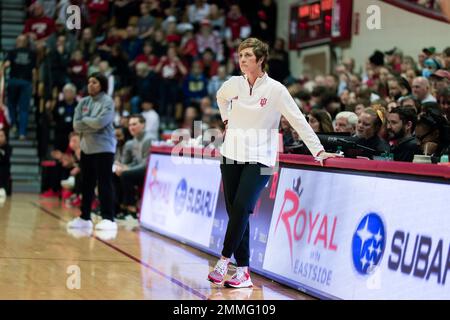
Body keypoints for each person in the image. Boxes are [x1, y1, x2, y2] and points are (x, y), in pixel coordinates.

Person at [207, 38, 339, 288]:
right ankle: (244, 272)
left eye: (247, 55)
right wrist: (226, 120)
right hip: (231, 153)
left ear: (260, 60)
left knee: (243, 207)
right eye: (240, 55)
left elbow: (299, 121)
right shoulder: (233, 84)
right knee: (235, 212)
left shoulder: (276, 89)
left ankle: (224, 259)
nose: (242, 59)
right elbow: (220, 97)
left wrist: (319, 151)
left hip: (263, 159)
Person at [68, 73, 117, 231]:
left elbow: (101, 122)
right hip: (87, 149)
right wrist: (91, 121)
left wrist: (86, 120)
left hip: (104, 149)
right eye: (89, 82)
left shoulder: (108, 101)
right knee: (86, 184)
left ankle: (108, 218)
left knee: (104, 183)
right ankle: (85, 217)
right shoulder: (83, 102)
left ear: (102, 85)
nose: (90, 85)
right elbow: (76, 125)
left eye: (94, 82)